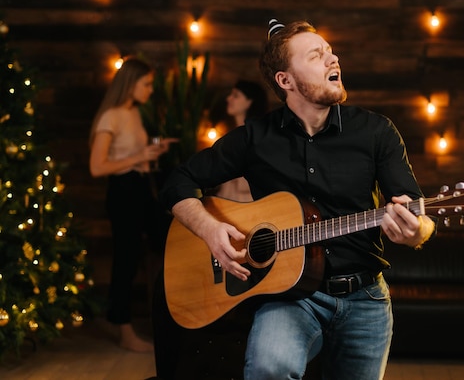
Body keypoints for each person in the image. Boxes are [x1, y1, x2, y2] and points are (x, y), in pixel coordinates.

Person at [159, 19, 436, 379]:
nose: (333, 59)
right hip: (289, 299)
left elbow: (416, 212)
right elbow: (177, 182)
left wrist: (415, 232)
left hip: (365, 298)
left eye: (330, 51)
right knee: (269, 368)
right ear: (285, 80)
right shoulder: (255, 138)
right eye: (317, 55)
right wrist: (210, 230)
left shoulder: (376, 132)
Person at [89, 57, 177, 353]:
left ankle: (171, 318)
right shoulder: (110, 117)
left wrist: (152, 152)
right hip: (122, 191)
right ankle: (123, 328)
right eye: (147, 84)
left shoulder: (135, 114)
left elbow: (133, 155)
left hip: (140, 189)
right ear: (131, 83)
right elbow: (97, 167)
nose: (151, 90)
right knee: (125, 259)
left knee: (166, 243)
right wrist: (139, 157)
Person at [212, 79, 269, 202]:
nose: (229, 99)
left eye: (236, 95)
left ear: (249, 102)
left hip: (247, 207)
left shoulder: (259, 138)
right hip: (225, 203)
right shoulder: (229, 135)